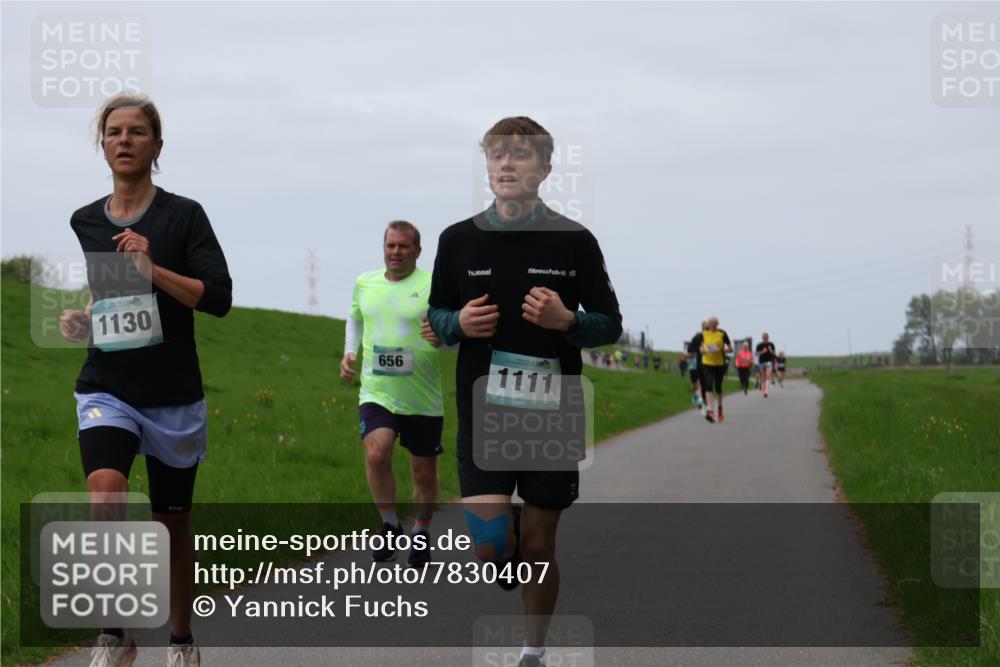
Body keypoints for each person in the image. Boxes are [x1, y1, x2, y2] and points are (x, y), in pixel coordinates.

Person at [428, 116, 622, 667]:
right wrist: (457, 324)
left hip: (550, 412)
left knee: (539, 547)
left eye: (520, 155)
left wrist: (568, 322)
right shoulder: (457, 240)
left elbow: (609, 322)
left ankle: (533, 650)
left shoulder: (575, 242)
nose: (507, 164)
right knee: (491, 545)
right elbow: (437, 314)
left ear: (545, 168)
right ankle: (505, 531)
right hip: (483, 411)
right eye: (496, 155)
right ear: (486, 167)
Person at [59, 94, 232, 667]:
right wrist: (86, 317)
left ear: (158, 146)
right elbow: (111, 291)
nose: (124, 140)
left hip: (172, 395)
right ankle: (115, 633)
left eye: (137, 132)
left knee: (172, 528)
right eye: (114, 131)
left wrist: (153, 269)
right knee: (105, 492)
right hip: (107, 382)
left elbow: (219, 300)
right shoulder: (86, 219)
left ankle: (181, 640)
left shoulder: (184, 216)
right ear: (102, 144)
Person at [340, 221, 444, 567]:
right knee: (376, 453)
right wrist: (349, 352)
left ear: (417, 250)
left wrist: (444, 338)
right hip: (377, 390)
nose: (395, 252)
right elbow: (354, 318)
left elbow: (452, 329)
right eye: (390, 246)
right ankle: (389, 525)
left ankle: (421, 532)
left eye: (403, 247)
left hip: (422, 396)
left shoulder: (433, 285)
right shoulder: (365, 283)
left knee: (424, 473)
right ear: (383, 247)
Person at [699, 316, 732, 423]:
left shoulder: (722, 333)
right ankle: (710, 410)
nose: (712, 325)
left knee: (718, 387)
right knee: (708, 385)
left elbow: (730, 349)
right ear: (708, 324)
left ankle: (720, 408)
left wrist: (721, 350)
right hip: (707, 363)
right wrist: (705, 351)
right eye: (711, 323)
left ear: (717, 324)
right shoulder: (704, 334)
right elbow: (701, 349)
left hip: (719, 363)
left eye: (714, 323)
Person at [685, 322, 707, 411]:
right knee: (694, 383)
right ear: (702, 328)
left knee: (702, 383)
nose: (706, 330)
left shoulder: (710, 338)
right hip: (694, 363)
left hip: (704, 363)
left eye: (707, 328)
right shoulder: (696, 337)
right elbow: (689, 350)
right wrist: (694, 352)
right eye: (705, 328)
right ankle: (695, 396)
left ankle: (701, 400)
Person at [756, 332, 777, 398]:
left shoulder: (771, 344)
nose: (765, 338)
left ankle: (766, 391)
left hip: (769, 361)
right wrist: (762, 351)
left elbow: (774, 353)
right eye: (764, 337)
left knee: (768, 376)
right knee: (763, 377)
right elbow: (756, 354)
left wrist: (771, 351)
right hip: (761, 362)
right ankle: (764, 390)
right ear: (762, 338)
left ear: (768, 337)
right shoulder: (759, 345)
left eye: (766, 337)